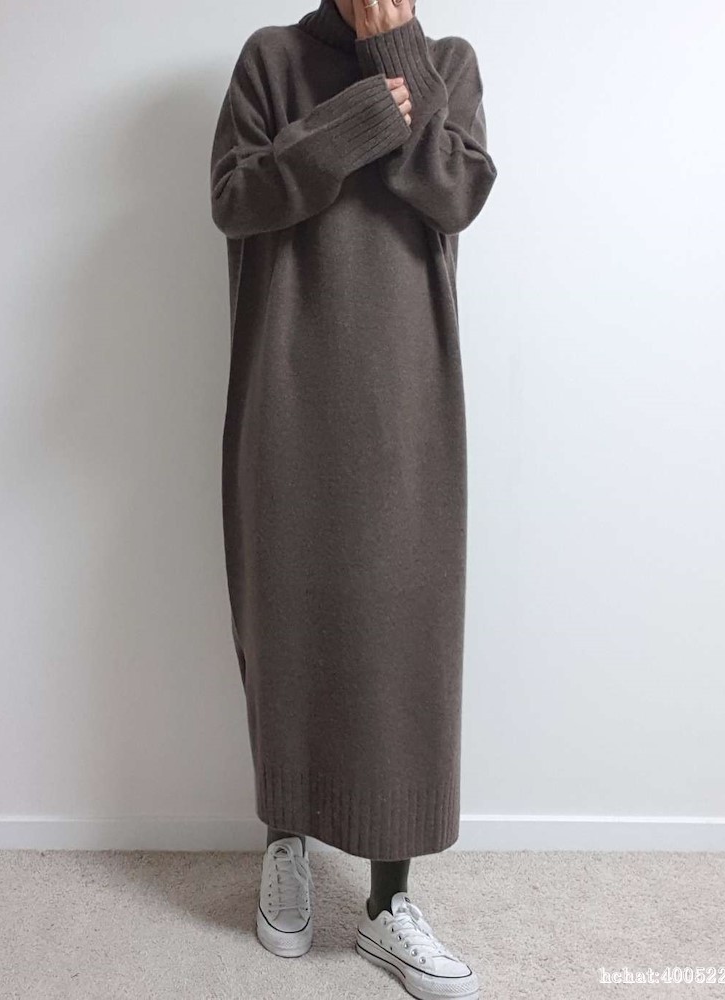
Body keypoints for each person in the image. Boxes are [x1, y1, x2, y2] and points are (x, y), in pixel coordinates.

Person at [209, 0, 496, 994]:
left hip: (408, 398)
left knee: (403, 640)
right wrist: (362, 116)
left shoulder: (447, 60)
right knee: (284, 620)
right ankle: (285, 845)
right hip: (286, 387)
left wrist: (395, 55)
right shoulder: (270, 59)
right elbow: (236, 200)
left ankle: (389, 902)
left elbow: (454, 192)